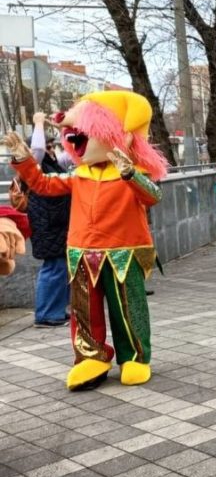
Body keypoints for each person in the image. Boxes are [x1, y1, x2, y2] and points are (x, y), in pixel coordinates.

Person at [5, 91, 168, 390]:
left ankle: (134, 357)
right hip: (81, 252)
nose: (76, 142)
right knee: (84, 310)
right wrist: (23, 159)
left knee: (128, 309)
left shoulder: (132, 174)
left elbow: (153, 195)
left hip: (124, 251)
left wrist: (130, 173)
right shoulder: (78, 175)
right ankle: (91, 357)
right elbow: (42, 184)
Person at [26, 112, 72, 328]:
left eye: (53, 146)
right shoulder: (33, 165)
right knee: (53, 269)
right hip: (48, 226)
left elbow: (73, 153)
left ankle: (56, 311)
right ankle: (45, 314)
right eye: (48, 146)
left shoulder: (55, 163)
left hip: (58, 225)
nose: (50, 150)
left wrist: (67, 125)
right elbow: (36, 149)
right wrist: (37, 124)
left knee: (60, 269)